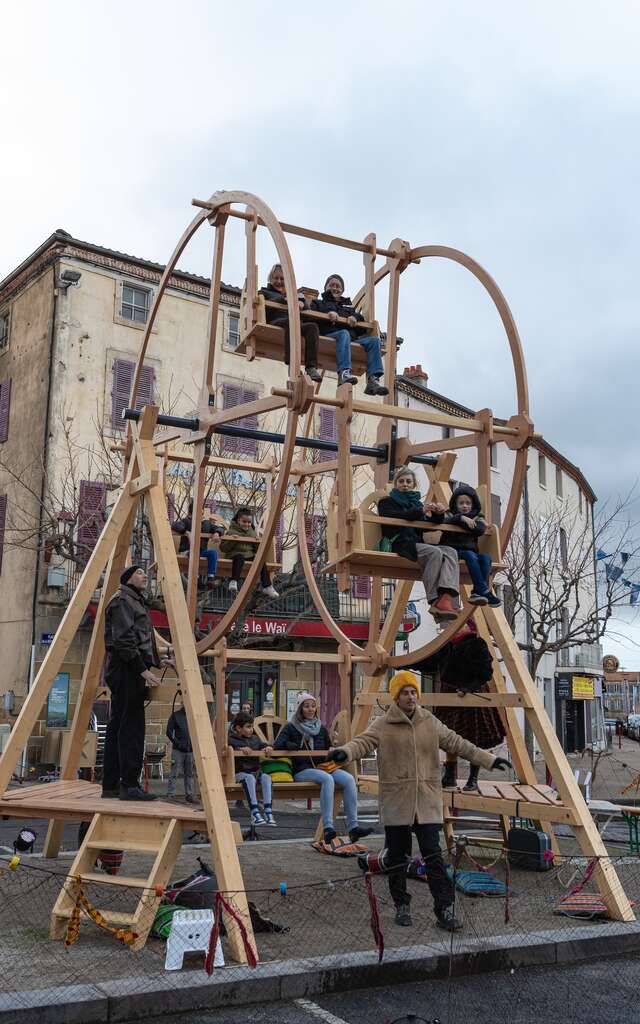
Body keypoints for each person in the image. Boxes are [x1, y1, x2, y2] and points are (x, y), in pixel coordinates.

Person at [330, 671, 511, 930]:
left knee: (434, 857)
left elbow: (459, 744)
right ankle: (402, 905)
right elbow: (362, 743)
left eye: (414, 692)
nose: (411, 696)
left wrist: (489, 760)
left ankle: (444, 910)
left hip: (426, 803)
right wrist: (344, 753)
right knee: (397, 858)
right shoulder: (383, 724)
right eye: (405, 692)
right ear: (396, 696)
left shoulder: (430, 721)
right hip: (397, 801)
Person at [411, 617, 506, 791]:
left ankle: (473, 778)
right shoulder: (446, 645)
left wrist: (469, 688)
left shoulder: (477, 644)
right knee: (448, 737)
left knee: (473, 739)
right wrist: (406, 663)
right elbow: (428, 661)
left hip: (472, 695)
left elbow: (486, 672)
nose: (451, 627)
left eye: (457, 624)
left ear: (466, 626)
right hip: (449, 695)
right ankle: (449, 776)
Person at [274, 693, 373, 844]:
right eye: (306, 706)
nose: (310, 709)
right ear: (300, 709)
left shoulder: (321, 729)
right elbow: (276, 747)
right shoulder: (290, 727)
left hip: (322, 767)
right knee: (327, 779)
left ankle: (353, 827)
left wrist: (334, 752)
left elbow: (327, 749)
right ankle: (328, 828)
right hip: (302, 770)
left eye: (313, 706)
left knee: (349, 779)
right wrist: (288, 745)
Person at [103, 565, 165, 801]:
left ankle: (111, 785)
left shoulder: (134, 601)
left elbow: (140, 640)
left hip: (128, 668)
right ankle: (129, 785)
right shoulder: (123, 601)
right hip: (127, 669)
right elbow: (125, 640)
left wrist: (157, 660)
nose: (145, 576)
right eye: (140, 573)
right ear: (128, 578)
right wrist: (143, 671)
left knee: (119, 725)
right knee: (131, 727)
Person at [377, 467, 461, 619]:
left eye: (409, 481)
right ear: (396, 484)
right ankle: (434, 599)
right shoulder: (387, 502)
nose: (405, 484)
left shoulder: (416, 504)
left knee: (450, 551)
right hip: (400, 543)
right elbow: (398, 517)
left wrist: (437, 514)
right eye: (401, 481)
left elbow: (427, 525)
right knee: (434, 552)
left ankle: (446, 597)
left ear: (414, 484)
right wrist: (421, 510)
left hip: (416, 543)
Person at [311, 274, 388, 395]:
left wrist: (355, 317)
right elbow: (311, 317)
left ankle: (373, 380)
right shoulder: (318, 303)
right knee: (344, 333)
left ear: (342, 290)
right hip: (328, 336)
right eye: (332, 285)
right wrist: (328, 314)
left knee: (374, 341)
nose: (335, 288)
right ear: (326, 287)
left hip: (350, 340)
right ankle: (344, 373)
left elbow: (361, 321)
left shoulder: (348, 307)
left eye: (338, 286)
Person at [440, 484, 501, 606]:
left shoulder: (478, 518)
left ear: (473, 505)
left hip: (470, 553)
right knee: (470, 555)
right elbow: (445, 522)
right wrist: (462, 518)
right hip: (452, 551)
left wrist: (467, 521)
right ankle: (485, 591)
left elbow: (480, 529)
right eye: (461, 503)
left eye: (468, 503)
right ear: (455, 504)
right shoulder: (449, 514)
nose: (464, 506)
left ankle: (477, 592)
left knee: (485, 558)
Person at [260, 264, 322, 382]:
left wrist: (302, 303)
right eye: (276, 278)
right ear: (270, 279)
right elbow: (263, 304)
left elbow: (307, 306)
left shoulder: (294, 294)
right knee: (290, 322)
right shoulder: (264, 292)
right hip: (276, 321)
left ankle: (311, 367)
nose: (279, 281)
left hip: (294, 322)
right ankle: (293, 364)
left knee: (312, 327)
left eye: (282, 279)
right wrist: (284, 299)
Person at [228, 712, 277, 826]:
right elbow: (230, 747)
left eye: (251, 726)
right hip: (240, 772)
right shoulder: (231, 739)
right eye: (248, 727)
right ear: (238, 728)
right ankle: (254, 812)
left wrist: (268, 747)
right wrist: (240, 749)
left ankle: (268, 810)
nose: (251, 730)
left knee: (266, 777)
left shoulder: (255, 739)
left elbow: (262, 744)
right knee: (249, 778)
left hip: (255, 771)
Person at [220, 507, 279, 598]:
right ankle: (233, 581)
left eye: (249, 522)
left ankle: (267, 586)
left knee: (260, 560)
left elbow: (257, 551)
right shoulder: (231, 531)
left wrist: (257, 542)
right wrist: (232, 540)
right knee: (239, 557)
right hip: (235, 556)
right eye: (244, 522)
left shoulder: (252, 533)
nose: (247, 524)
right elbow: (223, 548)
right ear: (238, 520)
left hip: (249, 556)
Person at [171, 500, 224, 585]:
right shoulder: (186, 521)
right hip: (187, 551)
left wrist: (217, 532)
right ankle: (196, 577)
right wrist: (186, 532)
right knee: (194, 553)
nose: (201, 516)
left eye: (201, 514)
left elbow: (221, 528)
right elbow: (175, 525)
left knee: (213, 553)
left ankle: (211, 577)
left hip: (201, 551)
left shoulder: (206, 523)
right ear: (191, 514)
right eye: (197, 514)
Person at [166, 702, 196, 803]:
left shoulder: (194, 715)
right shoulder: (175, 715)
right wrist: (177, 743)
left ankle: (189, 794)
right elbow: (169, 732)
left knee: (190, 773)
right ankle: (171, 794)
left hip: (190, 750)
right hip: (178, 750)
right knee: (174, 772)